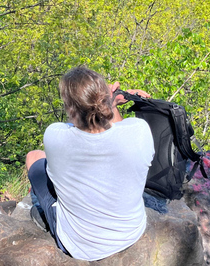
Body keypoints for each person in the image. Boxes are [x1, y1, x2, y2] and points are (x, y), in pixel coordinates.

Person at [25, 66, 154, 261]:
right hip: (130, 233)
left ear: (70, 108)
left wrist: (102, 106)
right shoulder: (140, 131)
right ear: (105, 99)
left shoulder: (54, 135)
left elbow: (86, 128)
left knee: (34, 156)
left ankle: (45, 214)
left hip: (77, 245)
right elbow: (116, 132)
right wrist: (112, 106)